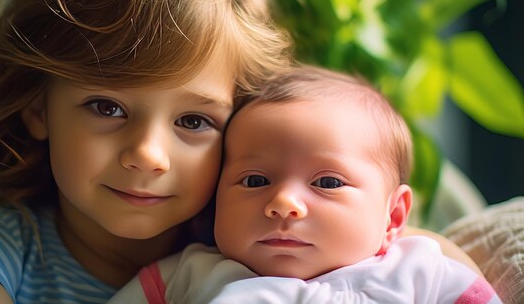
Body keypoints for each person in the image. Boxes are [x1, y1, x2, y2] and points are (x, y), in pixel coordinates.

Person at [0, 0, 292, 303]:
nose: (147, 155)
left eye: (193, 121)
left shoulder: (265, 245)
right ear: (38, 108)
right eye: (107, 108)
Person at [108, 66, 501, 303]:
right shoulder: (191, 275)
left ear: (393, 215)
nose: (283, 203)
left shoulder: (419, 271)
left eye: (327, 182)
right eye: (255, 180)